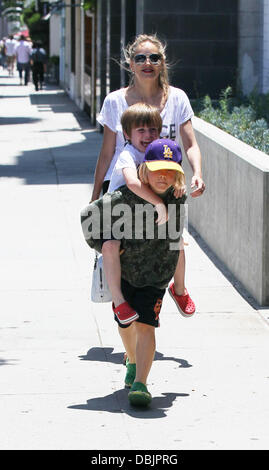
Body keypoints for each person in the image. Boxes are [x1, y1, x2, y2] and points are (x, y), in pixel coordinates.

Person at [91, 33, 205, 318]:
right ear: (130, 63)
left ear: (162, 62)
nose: (147, 63)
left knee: (174, 241)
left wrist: (197, 174)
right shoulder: (115, 101)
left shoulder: (176, 98)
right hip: (125, 186)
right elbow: (107, 153)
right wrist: (95, 194)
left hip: (167, 183)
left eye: (154, 58)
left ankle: (178, 290)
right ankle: (124, 308)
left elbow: (189, 143)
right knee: (117, 247)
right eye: (140, 58)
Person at [81, 139, 186, 406]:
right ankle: (132, 359)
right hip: (126, 274)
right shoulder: (123, 199)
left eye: (170, 171)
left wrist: (175, 272)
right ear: (143, 171)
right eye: (157, 169)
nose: (163, 176)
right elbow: (89, 220)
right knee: (126, 325)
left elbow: (175, 235)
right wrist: (109, 248)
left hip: (156, 276)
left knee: (146, 325)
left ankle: (141, 383)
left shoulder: (176, 198)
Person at [103, 102, 187, 326]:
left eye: (152, 130)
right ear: (126, 134)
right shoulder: (127, 155)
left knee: (177, 242)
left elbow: (174, 173)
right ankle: (119, 301)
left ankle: (179, 289)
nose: (148, 135)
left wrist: (179, 185)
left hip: (145, 216)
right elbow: (132, 183)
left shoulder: (161, 152)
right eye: (140, 130)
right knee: (109, 246)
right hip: (120, 215)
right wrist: (160, 203)